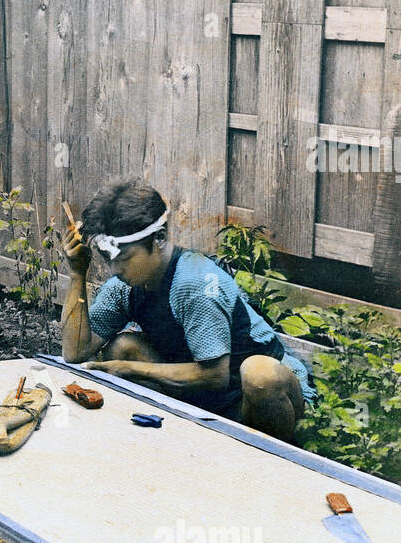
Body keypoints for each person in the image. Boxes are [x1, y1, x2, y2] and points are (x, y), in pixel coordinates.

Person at [60, 179, 314, 442]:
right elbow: (74, 351)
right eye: (108, 260)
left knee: (261, 373)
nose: (115, 270)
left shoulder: (195, 283)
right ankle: (185, 442)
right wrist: (77, 271)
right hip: (205, 399)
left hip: (249, 397)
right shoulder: (123, 288)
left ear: (158, 239)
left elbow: (215, 376)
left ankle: (272, 458)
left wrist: (129, 368)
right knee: (124, 346)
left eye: (123, 259)